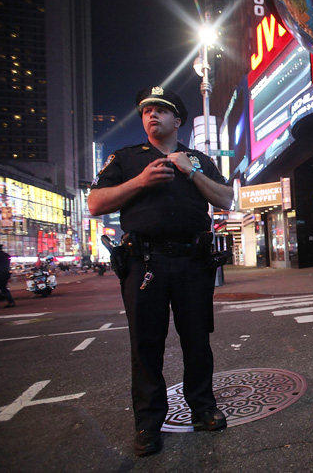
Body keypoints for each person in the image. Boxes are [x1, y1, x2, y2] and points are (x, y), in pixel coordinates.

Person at [87, 86, 233, 456]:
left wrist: (191, 173)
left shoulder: (197, 159)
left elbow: (226, 199)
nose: (152, 115)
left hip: (192, 261)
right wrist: (140, 181)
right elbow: (94, 203)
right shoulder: (127, 159)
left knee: (197, 339)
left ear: (177, 120)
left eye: (161, 110)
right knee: (146, 345)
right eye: (146, 110)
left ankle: (203, 408)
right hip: (144, 263)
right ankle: (149, 425)